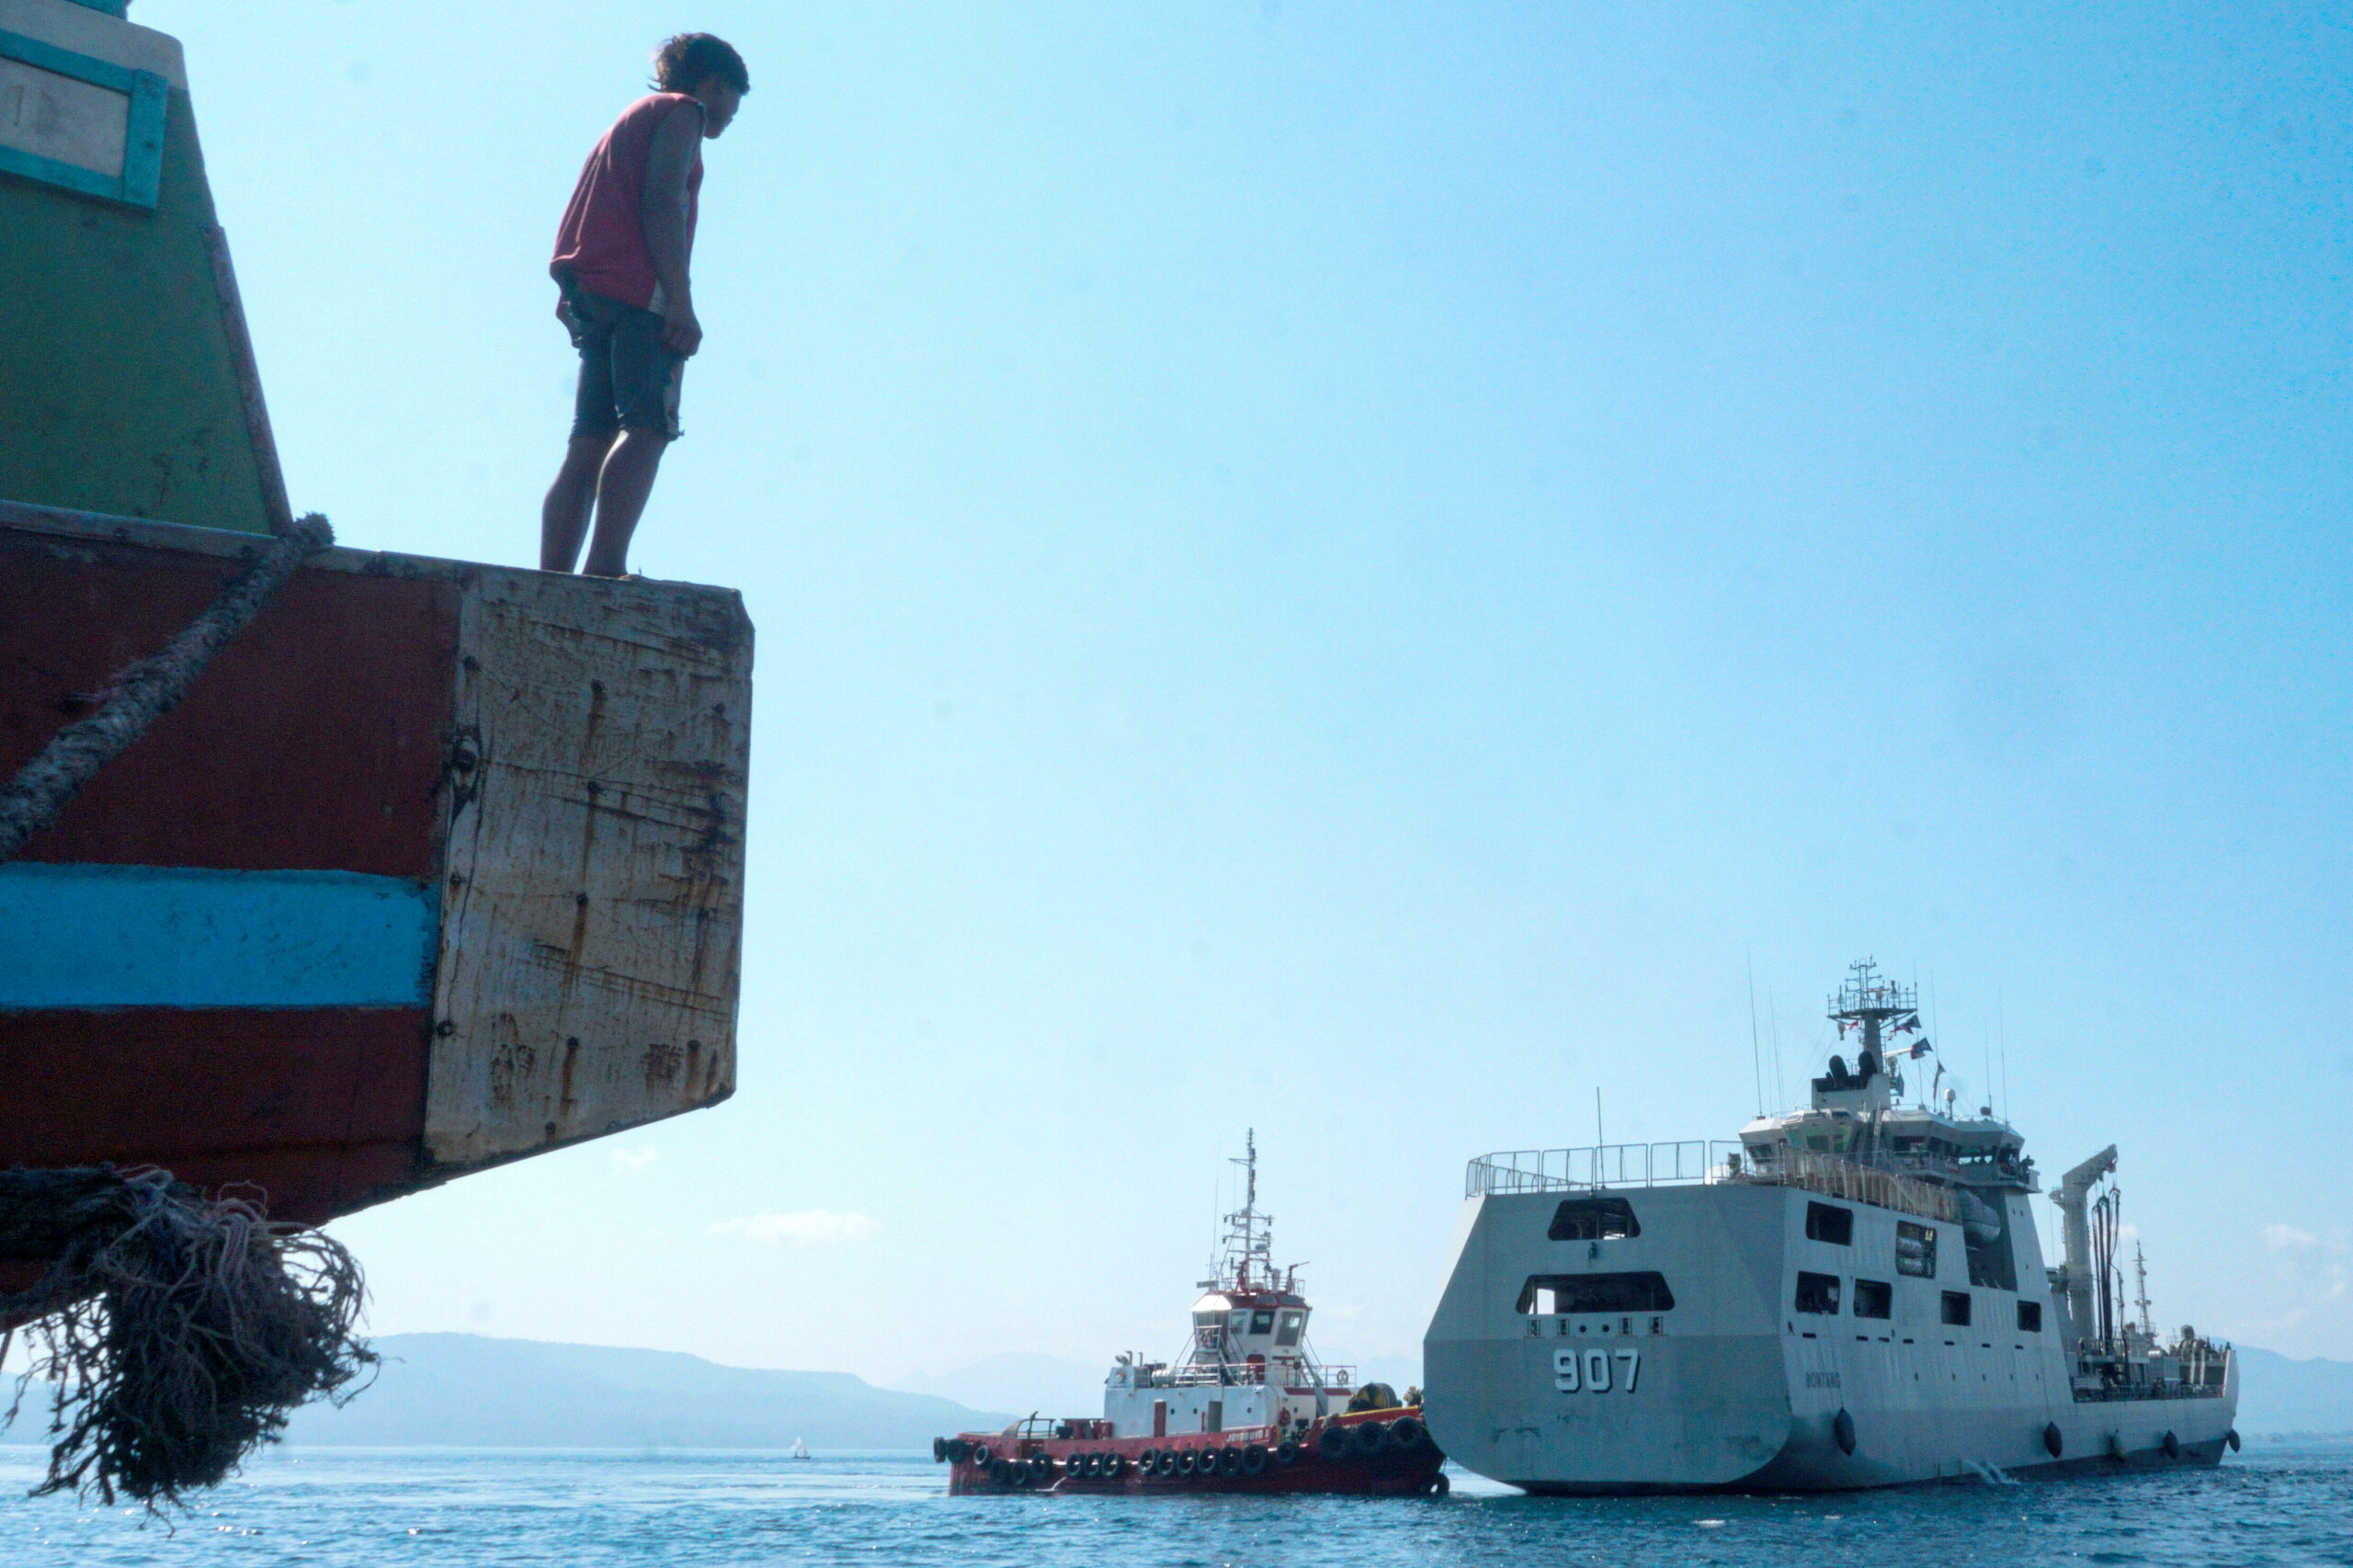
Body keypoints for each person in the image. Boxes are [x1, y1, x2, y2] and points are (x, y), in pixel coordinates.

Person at [541, 34, 749, 577]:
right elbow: (662, 205)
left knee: (589, 440)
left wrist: (574, 297)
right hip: (640, 292)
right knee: (649, 426)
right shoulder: (683, 113)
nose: (731, 115)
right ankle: (605, 568)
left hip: (595, 289)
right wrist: (680, 302)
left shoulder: (628, 120)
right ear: (715, 84)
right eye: (734, 99)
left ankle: (552, 578)